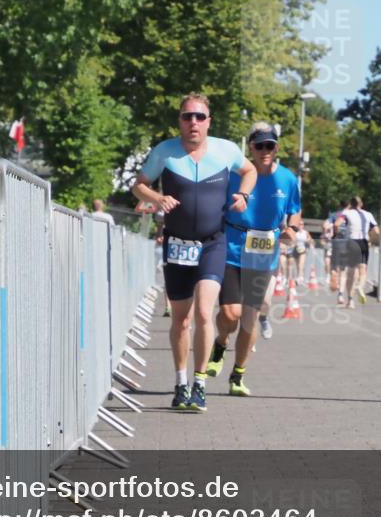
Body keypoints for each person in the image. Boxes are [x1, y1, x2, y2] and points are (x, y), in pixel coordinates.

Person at [131, 93, 256, 412]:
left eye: (200, 117)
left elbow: (250, 170)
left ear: (209, 121)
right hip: (177, 244)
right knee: (181, 320)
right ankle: (180, 383)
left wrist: (243, 195)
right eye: (187, 117)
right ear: (180, 121)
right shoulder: (165, 151)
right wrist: (156, 198)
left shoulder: (226, 149)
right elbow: (139, 185)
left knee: (204, 312)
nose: (193, 123)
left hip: (213, 242)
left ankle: (199, 384)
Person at [206, 123, 300, 396]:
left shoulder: (287, 179)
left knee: (250, 317)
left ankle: (238, 375)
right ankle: (221, 343)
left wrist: (291, 229)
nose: (265, 151)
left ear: (276, 148)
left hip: (264, 252)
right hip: (233, 246)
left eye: (270, 146)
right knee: (229, 313)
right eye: (259, 146)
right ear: (251, 148)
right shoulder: (235, 175)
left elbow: (295, 211)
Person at [334, 196, 377, 308]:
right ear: (361, 204)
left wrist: (336, 234)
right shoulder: (368, 214)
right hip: (363, 242)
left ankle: (350, 300)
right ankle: (360, 287)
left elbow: (337, 224)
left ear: (351, 204)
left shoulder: (347, 213)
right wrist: (370, 239)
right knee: (363, 270)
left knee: (351, 273)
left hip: (351, 242)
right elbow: (376, 231)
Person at [288, 217, 313, 284]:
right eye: (299, 224)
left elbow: (310, 240)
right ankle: (299, 276)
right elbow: (292, 241)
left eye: (302, 224)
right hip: (296, 249)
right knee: (297, 264)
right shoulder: (295, 233)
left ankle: (300, 277)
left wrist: (308, 241)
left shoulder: (305, 232)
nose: (301, 225)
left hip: (303, 249)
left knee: (301, 263)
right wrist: (293, 244)